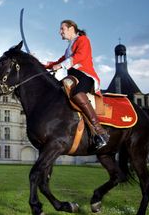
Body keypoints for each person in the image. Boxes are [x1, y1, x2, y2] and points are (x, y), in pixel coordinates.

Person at [45, 20, 109, 150]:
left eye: (62, 28)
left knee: (77, 94)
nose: (60, 32)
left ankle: (100, 132)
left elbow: (80, 56)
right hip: (73, 76)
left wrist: (61, 65)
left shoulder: (83, 40)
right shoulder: (69, 47)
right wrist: (39, 63)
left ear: (71, 28)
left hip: (85, 75)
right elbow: (57, 62)